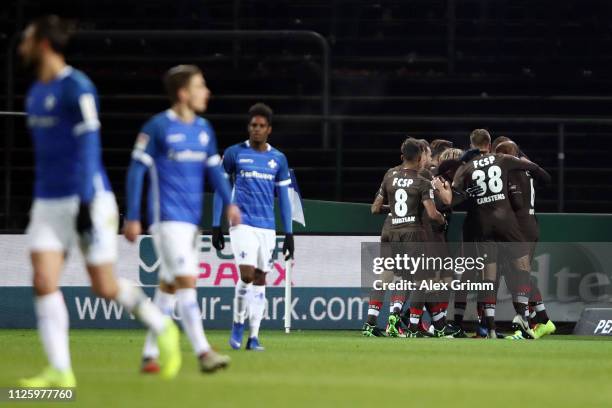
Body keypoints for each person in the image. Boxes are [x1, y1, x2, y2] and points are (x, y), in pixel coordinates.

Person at [18, 16, 181, 386]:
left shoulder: (77, 87)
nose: (21, 45)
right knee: (43, 279)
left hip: (87, 198)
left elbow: (90, 142)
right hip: (48, 203)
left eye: (27, 37)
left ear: (43, 43)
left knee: (104, 286)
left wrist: (87, 200)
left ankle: (163, 327)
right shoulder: (33, 93)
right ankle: (61, 371)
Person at [124, 65, 241, 373]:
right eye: (200, 86)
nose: (207, 92)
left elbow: (215, 171)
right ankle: (203, 352)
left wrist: (230, 203)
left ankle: (149, 355)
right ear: (183, 93)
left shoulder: (204, 129)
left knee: (168, 288)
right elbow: (137, 170)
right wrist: (133, 216)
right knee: (188, 282)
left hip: (190, 223)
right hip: (167, 220)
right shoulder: (158, 127)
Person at [452, 129, 551, 339]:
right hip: (510, 223)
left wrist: (467, 194)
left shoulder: (468, 166)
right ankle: (527, 319)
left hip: (482, 225)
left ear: (472, 145)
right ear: (489, 145)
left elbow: (454, 193)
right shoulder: (504, 160)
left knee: (490, 276)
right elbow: (538, 173)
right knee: (520, 271)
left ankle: (491, 328)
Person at [211, 103, 294, 351]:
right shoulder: (234, 154)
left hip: (267, 227)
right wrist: (216, 225)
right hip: (241, 223)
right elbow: (220, 189)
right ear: (249, 127)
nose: (256, 129)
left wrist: (289, 233)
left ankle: (254, 336)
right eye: (253, 125)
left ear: (269, 129)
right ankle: (238, 324)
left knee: (260, 279)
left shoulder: (277, 158)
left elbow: (285, 200)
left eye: (261, 126)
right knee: (246, 275)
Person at [494, 140, 556, 339]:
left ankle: (526, 324)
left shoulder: (512, 171)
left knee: (518, 276)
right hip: (529, 225)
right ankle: (542, 320)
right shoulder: (526, 168)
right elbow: (546, 178)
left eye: (497, 156)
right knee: (519, 276)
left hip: (520, 229)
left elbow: (517, 202)